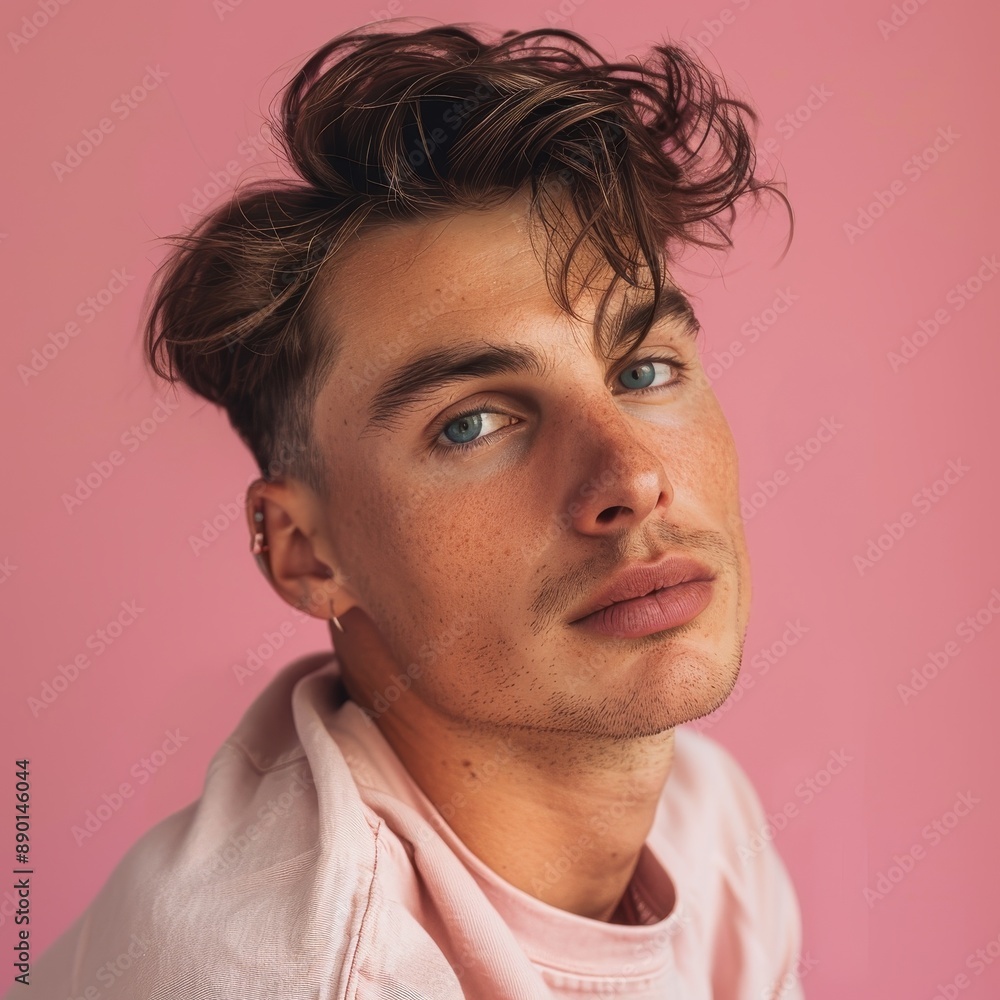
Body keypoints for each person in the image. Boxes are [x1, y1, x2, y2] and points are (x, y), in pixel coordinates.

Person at [17, 21, 805, 999]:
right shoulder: (286, 973)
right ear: (306, 551)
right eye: (473, 423)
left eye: (644, 369)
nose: (630, 477)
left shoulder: (710, 825)